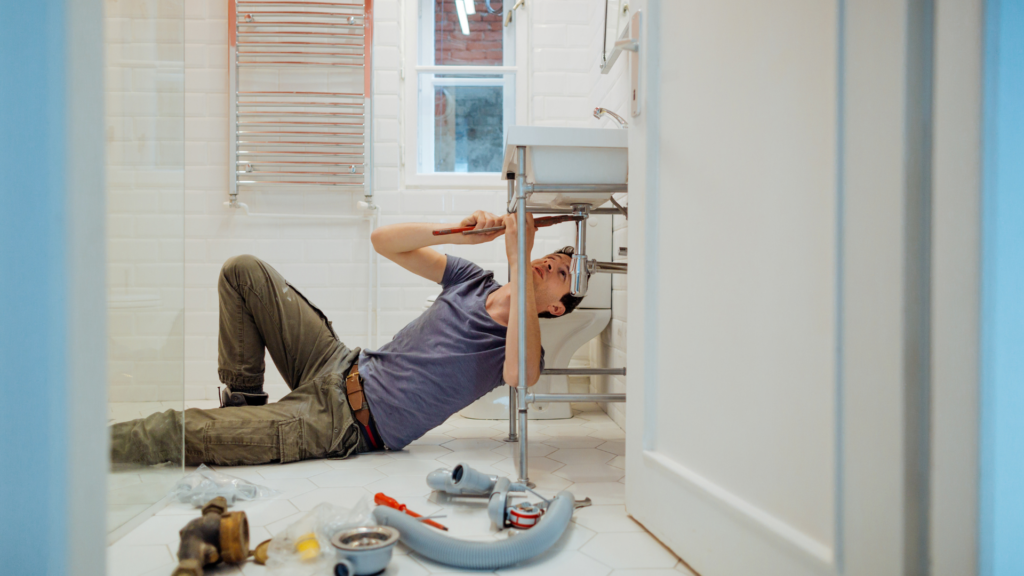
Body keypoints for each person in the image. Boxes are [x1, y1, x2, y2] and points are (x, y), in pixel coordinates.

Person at [110, 211, 586, 466]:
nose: (548, 263)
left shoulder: (526, 343)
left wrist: (518, 258)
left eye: (562, 273)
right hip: (335, 363)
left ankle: (84, 450)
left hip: (341, 422)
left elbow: (519, 376)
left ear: (555, 307)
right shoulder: (472, 278)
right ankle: (244, 406)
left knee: (174, 429)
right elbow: (383, 240)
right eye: (549, 256)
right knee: (243, 271)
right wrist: (459, 234)